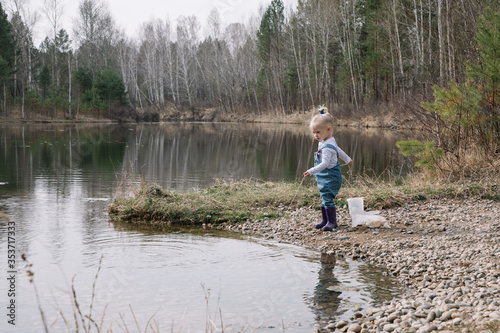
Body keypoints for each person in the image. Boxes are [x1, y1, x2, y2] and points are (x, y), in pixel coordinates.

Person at [303, 106, 353, 232]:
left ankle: (332, 222)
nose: (315, 135)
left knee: (327, 198)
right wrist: (347, 159)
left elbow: (325, 163)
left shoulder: (327, 147)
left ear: (328, 129)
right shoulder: (327, 141)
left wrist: (311, 171)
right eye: (313, 132)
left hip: (330, 177)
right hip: (324, 176)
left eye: (318, 132)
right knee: (323, 197)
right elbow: (339, 150)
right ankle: (325, 220)